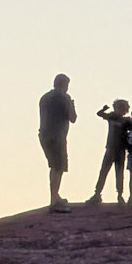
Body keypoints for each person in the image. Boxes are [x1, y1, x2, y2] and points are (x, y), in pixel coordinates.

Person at [37, 73, 76, 212]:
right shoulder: (64, 98)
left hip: (44, 135)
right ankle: (54, 200)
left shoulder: (45, 97)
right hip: (57, 136)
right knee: (58, 167)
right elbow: (73, 118)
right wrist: (72, 105)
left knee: (54, 166)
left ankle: (55, 196)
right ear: (64, 85)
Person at [87, 99, 132, 204]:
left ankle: (120, 195)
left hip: (120, 149)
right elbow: (99, 114)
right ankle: (97, 193)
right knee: (104, 171)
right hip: (111, 148)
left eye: (122, 109)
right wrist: (103, 109)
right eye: (118, 108)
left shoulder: (126, 120)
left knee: (119, 172)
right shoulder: (111, 117)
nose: (119, 111)